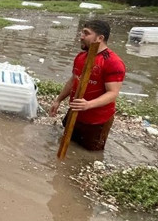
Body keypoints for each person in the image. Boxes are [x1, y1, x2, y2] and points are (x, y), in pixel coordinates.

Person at [49, 20, 125, 151]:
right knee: (69, 144)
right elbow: (73, 80)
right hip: (75, 112)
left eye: (86, 33)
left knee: (89, 153)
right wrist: (58, 100)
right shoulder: (81, 57)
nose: (81, 36)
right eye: (82, 32)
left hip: (96, 120)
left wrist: (88, 104)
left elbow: (113, 93)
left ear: (100, 38)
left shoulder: (113, 62)